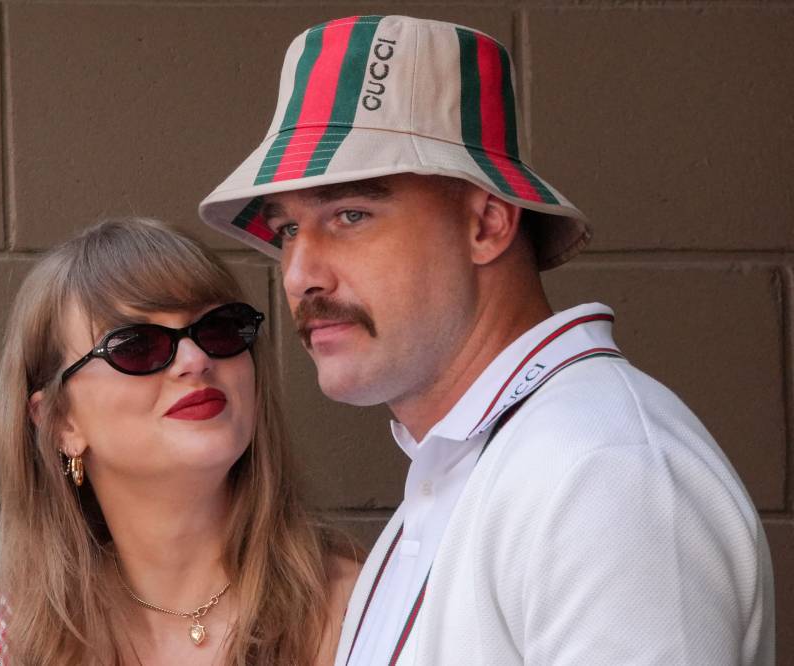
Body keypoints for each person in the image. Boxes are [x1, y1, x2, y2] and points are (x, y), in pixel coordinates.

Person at [199, 14, 774, 665]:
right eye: (287, 232)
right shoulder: (475, 469)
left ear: (487, 224)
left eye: (350, 214)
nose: (300, 275)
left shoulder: (599, 470)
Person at [0, 218, 359, 665]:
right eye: (137, 345)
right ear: (60, 421)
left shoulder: (356, 607)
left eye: (220, 329)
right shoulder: (3, 646)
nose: (195, 360)